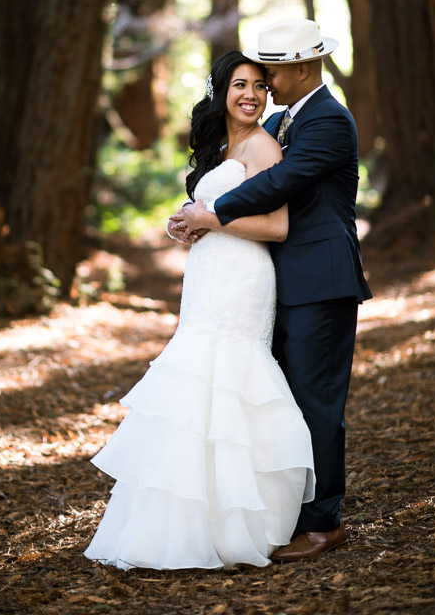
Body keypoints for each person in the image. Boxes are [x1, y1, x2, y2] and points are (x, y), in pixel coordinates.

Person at [84, 50, 315, 570]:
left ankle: (237, 524)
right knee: (195, 388)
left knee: (228, 380)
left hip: (243, 280)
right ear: (221, 92)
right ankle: (180, 522)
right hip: (208, 278)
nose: (251, 94)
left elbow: (276, 226)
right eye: (239, 85)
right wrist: (186, 223)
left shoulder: (263, 146)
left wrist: (209, 221)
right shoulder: (220, 148)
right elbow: (215, 213)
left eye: (259, 84)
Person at [171, 19, 372, 561]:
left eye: (273, 73)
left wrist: (213, 214)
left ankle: (325, 522)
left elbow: (281, 182)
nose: (265, 82)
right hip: (278, 281)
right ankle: (283, 510)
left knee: (318, 403)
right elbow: (244, 162)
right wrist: (196, 215)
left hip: (322, 280)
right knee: (282, 401)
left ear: (302, 70)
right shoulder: (283, 119)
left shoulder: (330, 120)